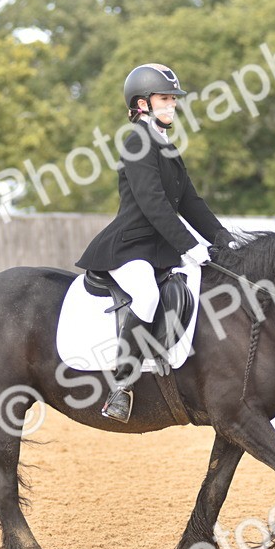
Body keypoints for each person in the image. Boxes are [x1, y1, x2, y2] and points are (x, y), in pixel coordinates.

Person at [76, 63, 234, 423]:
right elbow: (153, 204)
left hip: (158, 248)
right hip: (129, 246)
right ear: (143, 103)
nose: (172, 105)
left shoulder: (166, 145)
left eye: (173, 100)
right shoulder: (136, 142)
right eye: (165, 98)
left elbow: (191, 202)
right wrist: (188, 247)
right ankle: (121, 385)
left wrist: (224, 241)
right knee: (146, 294)